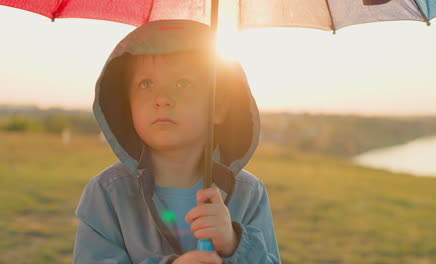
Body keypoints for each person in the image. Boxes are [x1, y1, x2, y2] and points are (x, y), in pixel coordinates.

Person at [72, 19, 281, 264]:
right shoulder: (107, 193)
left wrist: (233, 244)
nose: (162, 98)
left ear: (218, 107)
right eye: (146, 84)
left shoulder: (248, 193)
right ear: (127, 105)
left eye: (183, 83)